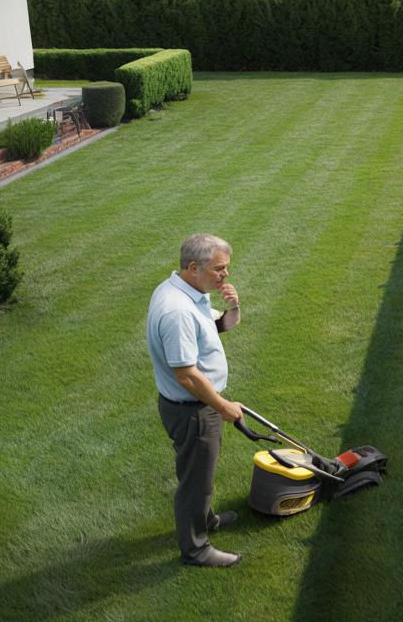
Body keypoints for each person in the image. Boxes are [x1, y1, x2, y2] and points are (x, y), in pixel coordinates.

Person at [146, 233, 246, 567]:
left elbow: (219, 327)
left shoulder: (188, 292)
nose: (225, 275)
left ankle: (206, 520)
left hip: (197, 408)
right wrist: (223, 406)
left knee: (202, 472)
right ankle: (196, 549)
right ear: (193, 267)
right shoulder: (177, 311)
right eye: (219, 269)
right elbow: (186, 375)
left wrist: (233, 306)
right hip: (193, 412)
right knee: (196, 483)